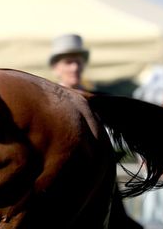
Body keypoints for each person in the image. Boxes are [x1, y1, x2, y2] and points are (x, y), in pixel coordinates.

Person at [48, 33, 142, 229]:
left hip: (101, 185)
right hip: (60, 187)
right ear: (56, 68)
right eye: (68, 62)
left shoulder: (99, 99)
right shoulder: (47, 104)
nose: (74, 67)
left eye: (78, 61)